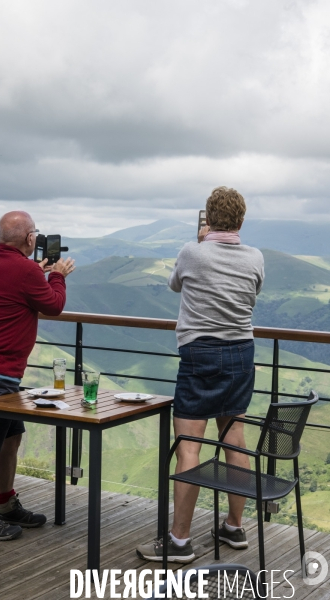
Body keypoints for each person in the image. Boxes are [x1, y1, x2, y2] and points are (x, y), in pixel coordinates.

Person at [136, 186, 264, 562]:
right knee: (235, 440)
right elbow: (254, 290)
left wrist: (201, 242)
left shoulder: (193, 252)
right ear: (241, 220)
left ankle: (179, 541)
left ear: (208, 219)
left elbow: (175, 284)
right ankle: (235, 526)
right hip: (241, 352)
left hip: (200, 353)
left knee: (189, 446)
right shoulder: (255, 256)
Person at [0, 211, 75, 541]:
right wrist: (58, 275)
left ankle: (5, 503)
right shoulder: (25, 270)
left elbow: (10, 289)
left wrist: (37, 273)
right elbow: (54, 305)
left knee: (11, 437)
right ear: (29, 239)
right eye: (35, 233)